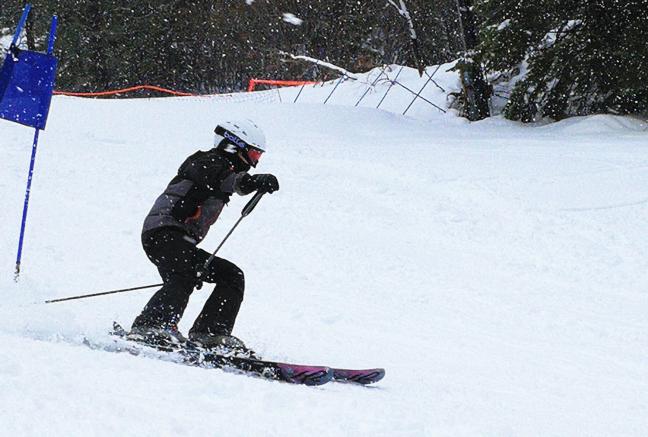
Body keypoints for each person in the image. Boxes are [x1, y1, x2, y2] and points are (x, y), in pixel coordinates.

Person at [129, 119, 279, 355]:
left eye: (258, 156)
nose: (254, 162)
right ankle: (151, 326)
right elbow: (226, 178)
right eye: (253, 154)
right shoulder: (208, 160)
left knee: (231, 275)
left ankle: (210, 334)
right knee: (184, 275)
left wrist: (251, 182)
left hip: (181, 241)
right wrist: (252, 182)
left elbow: (231, 181)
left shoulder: (223, 169)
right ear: (234, 146)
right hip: (163, 232)